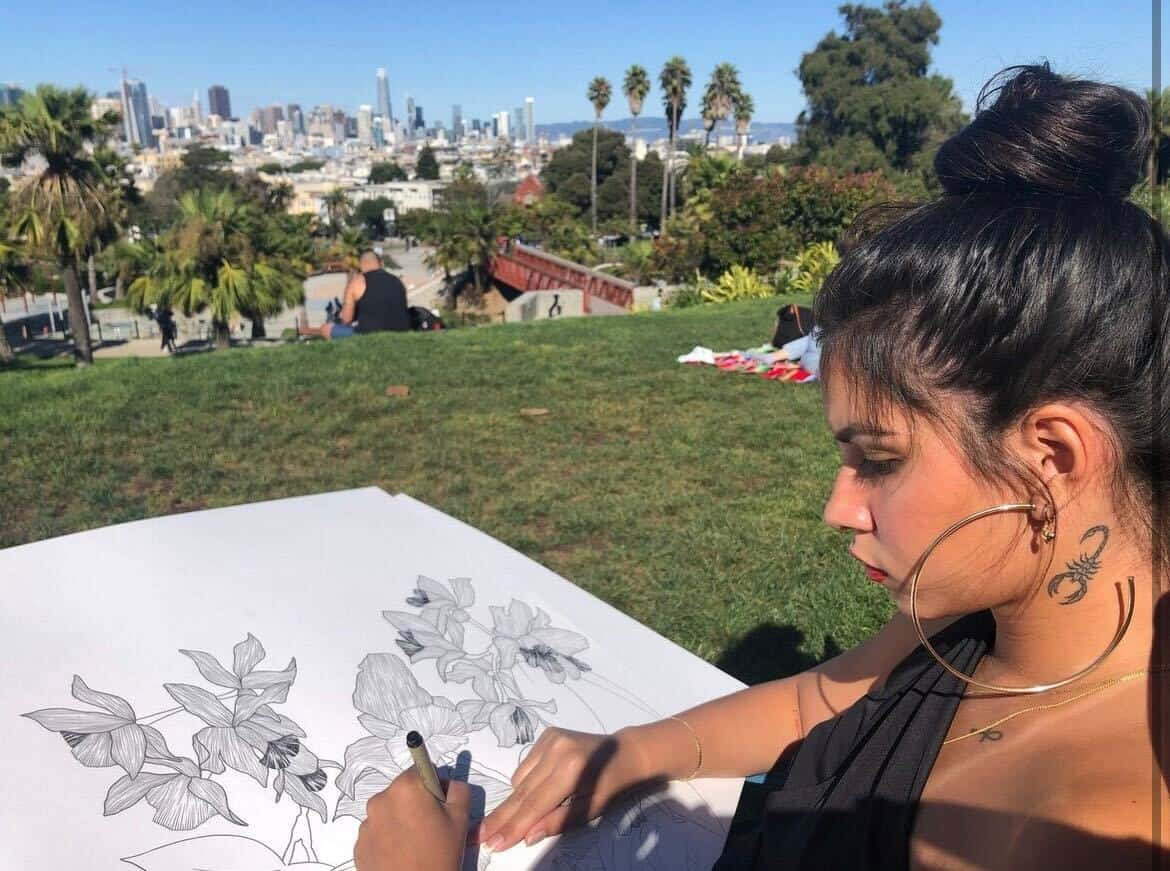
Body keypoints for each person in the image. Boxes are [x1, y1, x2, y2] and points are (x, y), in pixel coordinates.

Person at [353, 64, 1170, 870]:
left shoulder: (1098, 825)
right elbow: (819, 698)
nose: (839, 508)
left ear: (1052, 456)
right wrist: (633, 751)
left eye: (877, 461)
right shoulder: (975, 623)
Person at [300, 251, 411, 340]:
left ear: (361, 265)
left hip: (369, 335)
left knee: (326, 329)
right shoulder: (397, 281)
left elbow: (346, 320)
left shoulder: (357, 282)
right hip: (401, 333)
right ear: (380, 263)